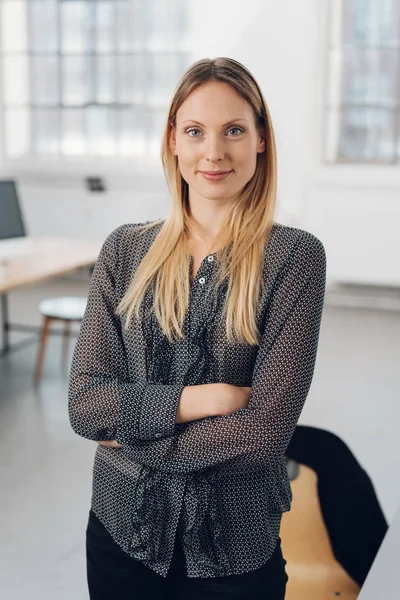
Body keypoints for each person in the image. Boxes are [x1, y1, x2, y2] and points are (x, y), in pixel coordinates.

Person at [68, 56, 326, 600]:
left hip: (235, 554)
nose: (214, 152)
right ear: (174, 142)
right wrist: (202, 399)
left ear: (260, 139)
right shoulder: (124, 250)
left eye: (234, 130)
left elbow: (262, 435)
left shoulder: (294, 259)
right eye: (195, 131)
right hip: (121, 538)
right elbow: (85, 406)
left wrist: (132, 435)